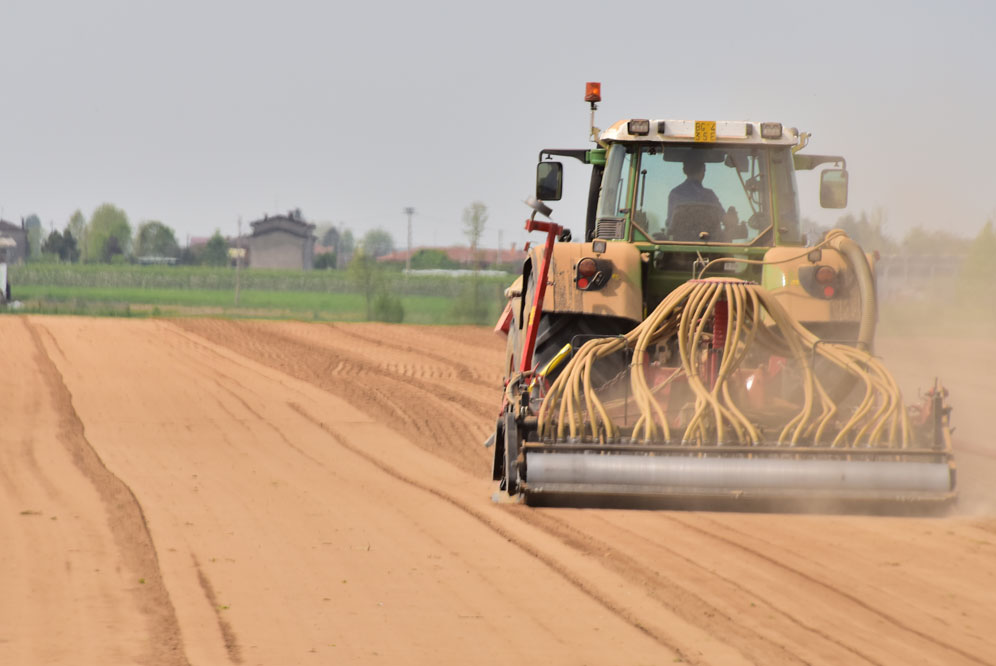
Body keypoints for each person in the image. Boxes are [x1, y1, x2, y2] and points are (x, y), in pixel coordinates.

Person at [665, 156, 739, 240]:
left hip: (679, 249)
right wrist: (733, 217)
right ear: (703, 170)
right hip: (710, 248)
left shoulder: (675, 193)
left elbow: (670, 225)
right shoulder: (709, 196)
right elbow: (727, 221)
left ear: (684, 170)